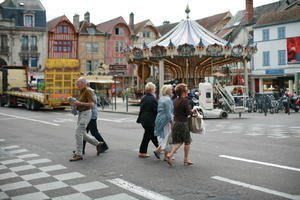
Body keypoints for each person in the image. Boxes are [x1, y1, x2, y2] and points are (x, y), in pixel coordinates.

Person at [69, 77, 103, 162]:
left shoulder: (88, 91)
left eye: (78, 83)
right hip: (81, 113)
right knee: (83, 134)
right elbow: (80, 102)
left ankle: (78, 154)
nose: (77, 84)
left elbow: (92, 104)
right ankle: (98, 144)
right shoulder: (81, 91)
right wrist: (74, 103)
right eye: (76, 83)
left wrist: (79, 103)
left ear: (83, 83)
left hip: (86, 113)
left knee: (78, 133)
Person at [166, 83, 196, 166]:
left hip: (176, 123)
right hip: (183, 123)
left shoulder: (175, 100)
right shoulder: (185, 101)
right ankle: (185, 159)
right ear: (183, 91)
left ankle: (170, 154)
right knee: (187, 141)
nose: (187, 91)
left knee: (179, 141)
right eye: (186, 90)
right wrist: (193, 112)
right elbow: (188, 113)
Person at [82, 86, 109, 155]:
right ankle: (81, 149)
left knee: (93, 132)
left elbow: (94, 101)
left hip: (91, 115)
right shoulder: (85, 91)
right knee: (84, 132)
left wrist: (82, 103)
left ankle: (104, 146)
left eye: (79, 84)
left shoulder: (89, 91)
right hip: (87, 114)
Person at [136, 82, 159, 158]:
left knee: (151, 135)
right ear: (152, 89)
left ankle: (159, 148)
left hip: (143, 119)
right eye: (154, 89)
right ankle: (142, 152)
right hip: (150, 120)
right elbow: (156, 110)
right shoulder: (153, 99)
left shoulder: (144, 97)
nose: (155, 90)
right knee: (147, 136)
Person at [153, 85, 174, 160]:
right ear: (167, 91)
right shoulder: (167, 100)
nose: (172, 90)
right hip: (165, 120)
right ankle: (158, 151)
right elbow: (168, 113)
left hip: (159, 118)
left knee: (165, 137)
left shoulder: (162, 98)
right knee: (167, 137)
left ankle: (165, 155)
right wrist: (172, 122)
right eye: (170, 89)